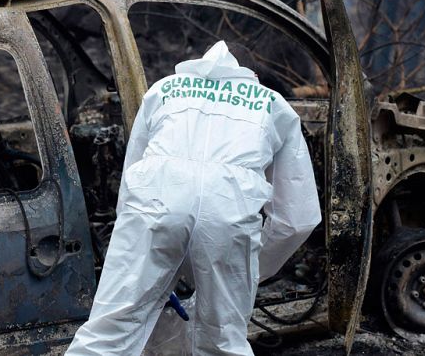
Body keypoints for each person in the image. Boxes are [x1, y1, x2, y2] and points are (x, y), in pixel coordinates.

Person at [65, 41, 321, 356]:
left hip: (156, 205)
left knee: (109, 331)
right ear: (251, 75)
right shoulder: (273, 104)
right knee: (222, 343)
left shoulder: (164, 89)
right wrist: (252, 267)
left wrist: (149, 258)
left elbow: (134, 178)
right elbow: (297, 218)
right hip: (229, 213)